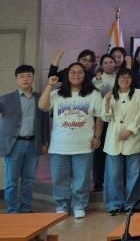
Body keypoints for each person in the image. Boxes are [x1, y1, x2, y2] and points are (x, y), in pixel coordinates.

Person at [38, 63, 103, 218]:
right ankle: (62, 205)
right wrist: (49, 85)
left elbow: (99, 116)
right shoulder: (57, 93)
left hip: (84, 145)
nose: (76, 75)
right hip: (59, 145)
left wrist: (97, 136)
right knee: (60, 178)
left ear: (85, 75)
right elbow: (42, 106)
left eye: (80, 72)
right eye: (72, 72)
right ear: (67, 75)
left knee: (82, 179)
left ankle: (79, 205)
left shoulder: (93, 94)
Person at [0, 65, 50, 213]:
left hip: (33, 144)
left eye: (28, 76)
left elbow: (45, 123)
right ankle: (13, 209)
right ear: (16, 79)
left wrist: (45, 142)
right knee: (12, 181)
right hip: (14, 145)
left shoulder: (40, 98)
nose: (25, 79)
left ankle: (26, 208)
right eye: (22, 76)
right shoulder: (6, 99)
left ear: (33, 78)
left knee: (29, 179)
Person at [101, 68, 140, 215]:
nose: (125, 80)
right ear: (117, 79)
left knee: (134, 174)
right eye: (122, 77)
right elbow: (105, 118)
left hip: (134, 138)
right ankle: (114, 204)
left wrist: (130, 130)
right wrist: (107, 103)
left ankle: (132, 204)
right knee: (113, 175)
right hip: (114, 140)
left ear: (132, 79)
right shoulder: (110, 95)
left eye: (128, 77)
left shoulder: (139, 94)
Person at [92, 53, 117, 192]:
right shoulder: (95, 79)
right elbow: (104, 95)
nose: (108, 64)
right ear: (101, 65)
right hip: (101, 117)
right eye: (105, 62)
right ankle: (98, 181)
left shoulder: (120, 76)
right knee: (99, 151)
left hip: (116, 117)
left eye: (111, 62)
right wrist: (100, 83)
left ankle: (112, 180)